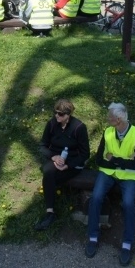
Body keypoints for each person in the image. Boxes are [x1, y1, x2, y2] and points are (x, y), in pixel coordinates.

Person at [85, 103, 135, 266]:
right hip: (107, 172)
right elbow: (99, 159)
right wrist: (122, 161)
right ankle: (92, 237)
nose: (107, 119)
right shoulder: (108, 132)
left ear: (118, 119)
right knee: (96, 197)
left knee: (128, 203)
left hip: (129, 176)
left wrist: (113, 159)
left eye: (109, 117)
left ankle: (127, 244)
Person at [35, 98, 90, 230]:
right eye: (55, 112)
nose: (57, 116)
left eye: (61, 114)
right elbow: (42, 146)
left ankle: (51, 212)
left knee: (49, 177)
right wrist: (53, 156)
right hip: (55, 159)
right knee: (48, 172)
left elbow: (85, 154)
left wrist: (68, 165)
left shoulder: (79, 127)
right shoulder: (52, 124)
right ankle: (50, 212)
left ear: (68, 115)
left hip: (72, 162)